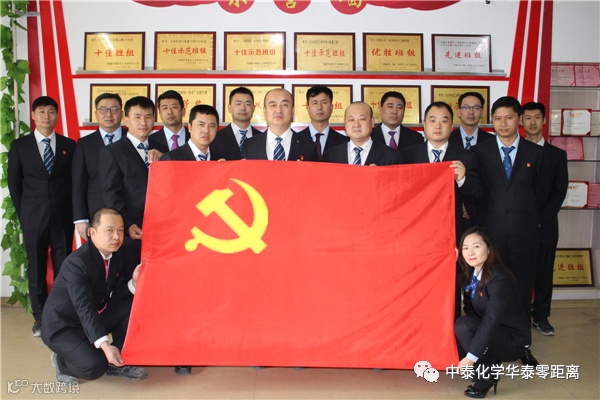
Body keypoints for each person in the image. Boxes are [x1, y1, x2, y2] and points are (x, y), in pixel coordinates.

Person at [473, 97, 542, 367]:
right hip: (491, 237)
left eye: (509, 117)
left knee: (522, 292)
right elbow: (475, 194)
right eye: (498, 118)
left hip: (524, 236)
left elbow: (542, 196)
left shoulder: (536, 153)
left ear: (519, 120)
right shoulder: (480, 152)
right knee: (488, 292)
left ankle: (523, 346)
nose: (503, 123)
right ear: (492, 120)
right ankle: (485, 345)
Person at [42, 208, 146, 384]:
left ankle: (119, 358)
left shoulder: (118, 254)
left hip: (93, 317)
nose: (116, 236)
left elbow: (118, 294)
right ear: (92, 232)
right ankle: (62, 362)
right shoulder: (76, 263)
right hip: (64, 326)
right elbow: (84, 308)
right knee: (94, 367)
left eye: (120, 230)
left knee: (128, 302)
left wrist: (134, 283)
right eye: (109, 230)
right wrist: (105, 345)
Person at [401, 101, 482, 319]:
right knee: (417, 288)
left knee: (450, 288)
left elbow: (477, 195)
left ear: (452, 126)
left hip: (451, 237)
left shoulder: (466, 157)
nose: (438, 126)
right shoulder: (407, 155)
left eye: (444, 121)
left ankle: (449, 332)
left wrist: (462, 179)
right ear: (424, 125)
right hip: (416, 236)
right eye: (432, 120)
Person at [7, 96, 77, 337]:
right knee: (36, 268)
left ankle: (61, 313)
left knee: (63, 267)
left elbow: (73, 182)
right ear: (33, 116)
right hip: (33, 217)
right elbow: (14, 184)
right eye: (41, 112)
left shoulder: (69, 145)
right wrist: (25, 212)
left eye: (51, 112)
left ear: (57, 116)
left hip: (62, 217)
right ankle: (40, 317)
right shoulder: (20, 146)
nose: (46, 116)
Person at [455, 227, 534, 398]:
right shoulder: (472, 272)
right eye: (465, 248)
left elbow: (490, 321)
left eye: (476, 247)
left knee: (464, 326)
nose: (470, 252)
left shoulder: (498, 277)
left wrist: (470, 358)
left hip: (513, 339)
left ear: (489, 249)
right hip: (496, 331)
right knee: (462, 327)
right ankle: (489, 362)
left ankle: (486, 377)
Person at [521, 101, 568, 336]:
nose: (532, 122)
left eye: (537, 117)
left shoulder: (557, 155)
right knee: (517, 274)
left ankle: (541, 316)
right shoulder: (514, 152)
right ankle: (518, 317)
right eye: (528, 118)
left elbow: (560, 191)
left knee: (543, 273)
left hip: (545, 225)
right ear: (521, 121)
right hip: (518, 226)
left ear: (544, 120)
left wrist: (541, 218)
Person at [72, 93, 126, 240]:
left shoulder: (132, 139)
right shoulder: (84, 144)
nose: (108, 114)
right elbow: (78, 184)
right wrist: (81, 219)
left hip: (128, 212)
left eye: (114, 109)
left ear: (122, 113)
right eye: (103, 110)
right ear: (96, 114)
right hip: (96, 213)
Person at [241, 88, 313, 161]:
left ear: (292, 111)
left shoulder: (309, 146)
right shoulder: (249, 145)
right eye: (273, 105)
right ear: (265, 111)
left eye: (284, 105)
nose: (278, 110)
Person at [322, 102, 401, 166]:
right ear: (345, 123)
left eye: (362, 119)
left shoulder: (391, 156)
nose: (356, 125)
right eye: (351, 120)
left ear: (372, 122)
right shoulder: (330, 155)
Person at [297, 85, 348, 161]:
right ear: (307, 107)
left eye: (324, 102)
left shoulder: (344, 142)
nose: (319, 107)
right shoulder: (296, 140)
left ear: (331, 107)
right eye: (315, 103)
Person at [210, 86, 263, 160]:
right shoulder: (215, 138)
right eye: (238, 104)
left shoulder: (263, 139)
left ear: (253, 108)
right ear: (229, 108)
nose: (243, 108)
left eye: (247, 104)